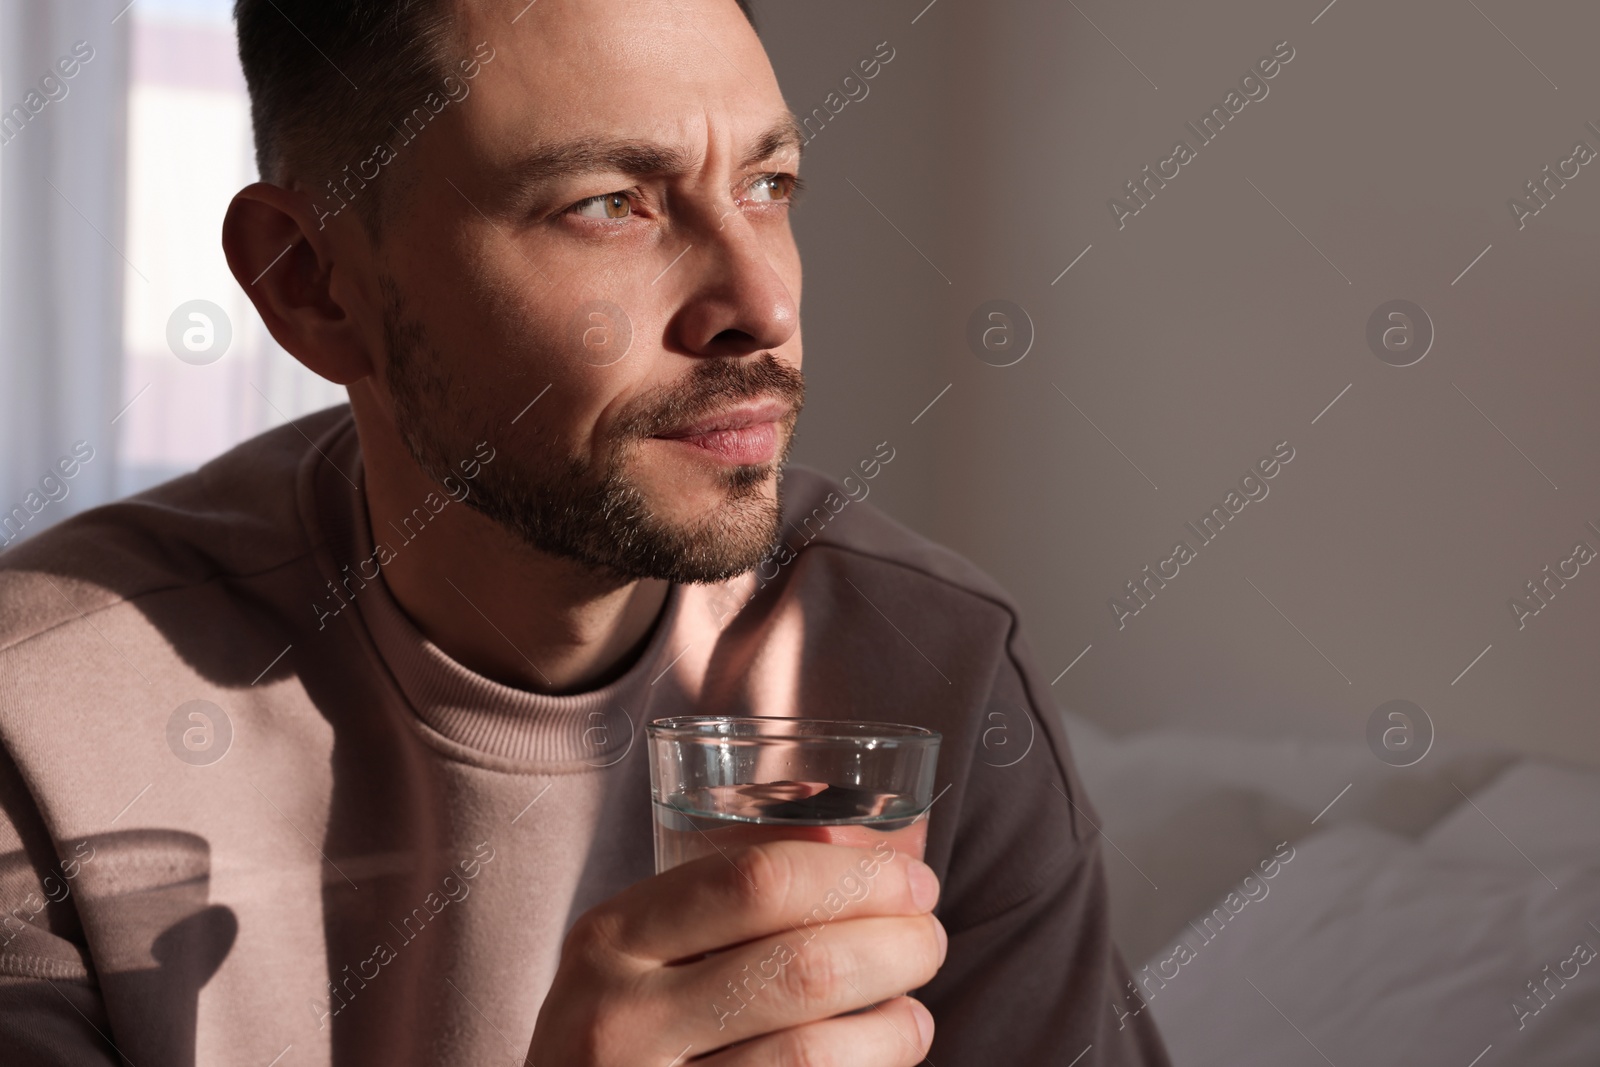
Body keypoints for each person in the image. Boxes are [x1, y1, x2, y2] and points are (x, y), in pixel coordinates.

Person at [0, 1, 1173, 1064]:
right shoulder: (40, 715)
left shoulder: (931, 662)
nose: (761, 304)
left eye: (769, 184)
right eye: (609, 203)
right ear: (312, 281)